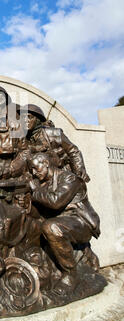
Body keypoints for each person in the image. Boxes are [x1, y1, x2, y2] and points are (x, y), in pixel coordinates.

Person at [28, 152, 100, 290]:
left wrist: (35, 192)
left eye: (36, 168)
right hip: (62, 222)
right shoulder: (44, 184)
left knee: (51, 227)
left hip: (81, 222)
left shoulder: (69, 178)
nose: (34, 173)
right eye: (31, 170)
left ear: (46, 164)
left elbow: (56, 202)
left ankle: (71, 274)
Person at [12, 104, 90, 182]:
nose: (25, 120)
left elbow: (73, 151)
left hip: (59, 176)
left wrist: (79, 175)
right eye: (23, 117)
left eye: (29, 117)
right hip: (38, 177)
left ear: (38, 119)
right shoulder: (22, 139)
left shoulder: (53, 134)